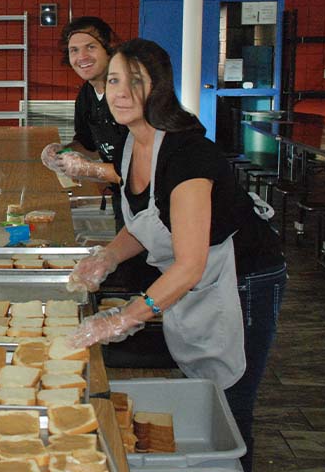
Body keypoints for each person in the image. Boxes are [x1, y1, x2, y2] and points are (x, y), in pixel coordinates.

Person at [67, 38, 287, 472]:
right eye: (113, 80)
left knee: (230, 398)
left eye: (136, 81)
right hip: (201, 275)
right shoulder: (133, 143)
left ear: (160, 88)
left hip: (243, 277)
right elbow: (147, 222)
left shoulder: (187, 155)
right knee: (202, 384)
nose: (120, 92)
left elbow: (189, 264)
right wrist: (108, 257)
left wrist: (127, 315)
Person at [42, 16, 158, 290]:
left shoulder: (134, 100)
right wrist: (62, 152)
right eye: (74, 50)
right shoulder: (86, 94)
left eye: (90, 47)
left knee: (153, 276)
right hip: (125, 199)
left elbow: (141, 170)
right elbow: (87, 143)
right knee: (133, 273)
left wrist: (88, 169)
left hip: (153, 201)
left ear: (110, 48)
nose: (81, 56)